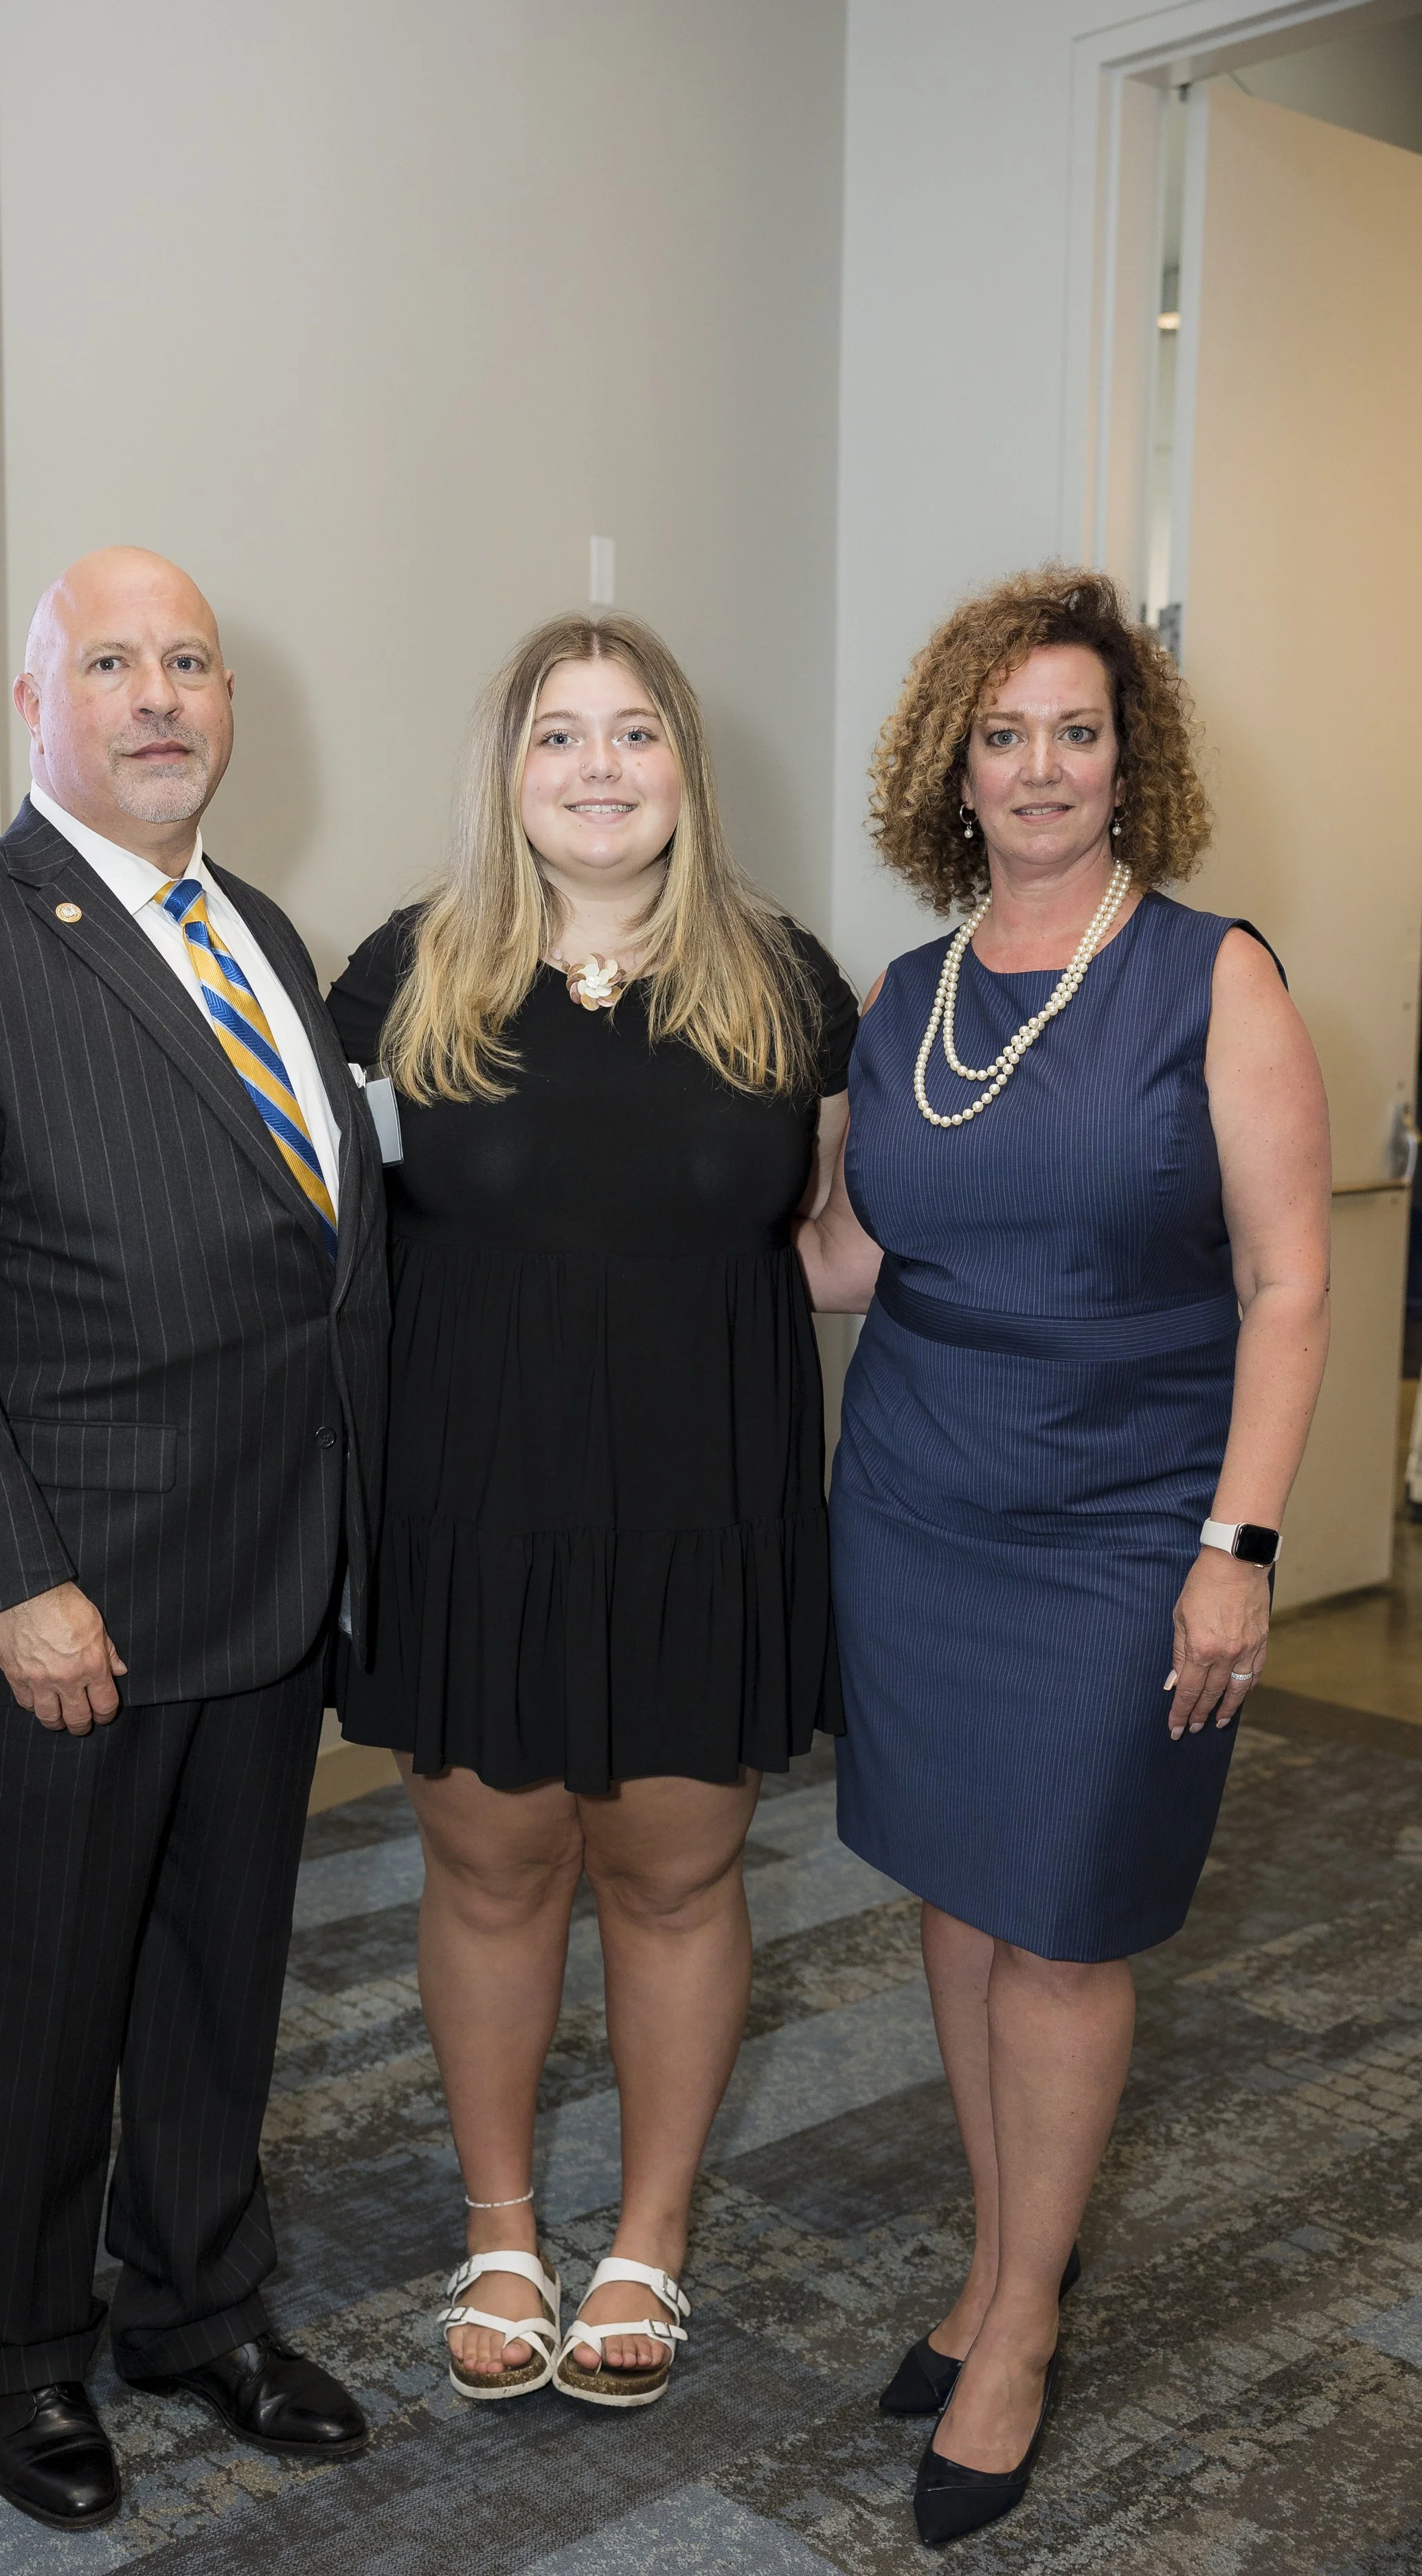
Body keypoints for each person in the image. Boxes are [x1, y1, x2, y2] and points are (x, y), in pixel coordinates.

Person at [0, 548, 388, 2532]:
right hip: (53, 1600)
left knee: (221, 1989)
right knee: (41, 2009)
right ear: (35, 701)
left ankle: (197, 2307)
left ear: (231, 705)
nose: (160, 696)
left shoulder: (269, 939)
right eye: (114, 662)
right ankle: (32, 2354)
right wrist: (10, 1577)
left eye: (193, 664)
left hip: (257, 1585)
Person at [798, 568, 1330, 2547]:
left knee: (1059, 1918)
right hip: (921, 1496)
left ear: (1129, 760)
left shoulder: (1213, 978)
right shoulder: (904, 993)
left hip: (1125, 1517)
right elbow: (855, 1258)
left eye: (1076, 730)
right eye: (1002, 730)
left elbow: (1286, 1285)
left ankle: (1019, 2316)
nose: (1038, 766)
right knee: (952, 1892)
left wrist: (1235, 1546)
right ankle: (998, 2240)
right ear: (955, 758)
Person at [326, 612, 857, 2408]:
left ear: (684, 771)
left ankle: (645, 2235)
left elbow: (846, 1242)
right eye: (558, 736)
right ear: (507, 773)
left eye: (634, 733)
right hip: (470, 1502)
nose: (599, 767)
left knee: (676, 1869)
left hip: (704, 1501)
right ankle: (499, 2227)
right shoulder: (398, 979)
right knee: (489, 1870)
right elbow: (331, 1252)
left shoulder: (789, 983)